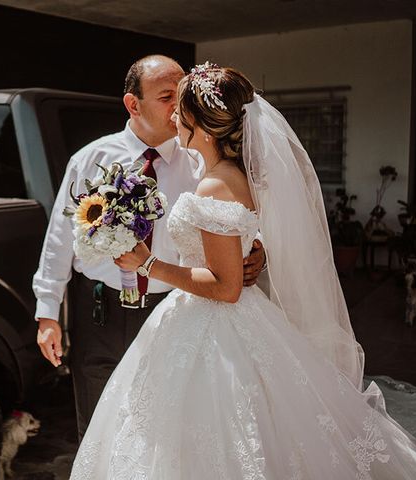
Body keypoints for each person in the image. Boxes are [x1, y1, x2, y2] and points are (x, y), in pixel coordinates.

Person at [69, 62, 416, 478]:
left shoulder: (215, 184)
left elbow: (226, 287)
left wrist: (147, 263)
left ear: (201, 123)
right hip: (221, 317)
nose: (174, 119)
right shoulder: (232, 174)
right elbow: (244, 245)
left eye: (180, 111)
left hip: (216, 321)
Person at [32, 55, 266, 441]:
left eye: (182, 95)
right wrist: (47, 314)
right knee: (98, 425)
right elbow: (59, 239)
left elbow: (240, 223)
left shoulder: (202, 160)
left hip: (176, 310)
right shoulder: (90, 159)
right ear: (132, 104)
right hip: (100, 313)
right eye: (165, 96)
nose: (178, 106)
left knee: (161, 429)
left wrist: (258, 251)